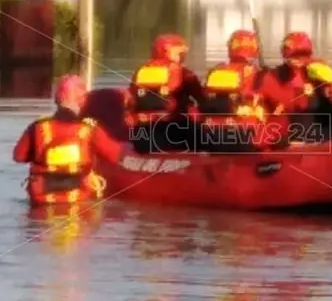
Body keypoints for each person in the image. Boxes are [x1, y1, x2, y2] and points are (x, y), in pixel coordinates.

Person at [13, 75, 128, 206]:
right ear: (83, 100)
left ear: (57, 99)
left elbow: (18, 157)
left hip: (42, 201)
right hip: (79, 201)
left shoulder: (37, 127)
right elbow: (116, 156)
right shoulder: (90, 129)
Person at [252, 32, 332, 148]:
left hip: (316, 133)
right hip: (285, 135)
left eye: (304, 54)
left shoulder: (318, 70)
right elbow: (258, 102)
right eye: (294, 55)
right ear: (285, 55)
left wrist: (329, 87)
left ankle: (321, 145)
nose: (298, 59)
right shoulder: (271, 76)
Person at [125, 33, 205, 153]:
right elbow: (203, 98)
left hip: (140, 136)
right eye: (180, 53)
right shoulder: (183, 73)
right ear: (167, 51)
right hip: (171, 133)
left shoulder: (141, 71)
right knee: (194, 114)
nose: (182, 57)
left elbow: (131, 99)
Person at [197, 30, 268, 153]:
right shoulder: (261, 73)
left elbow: (203, 96)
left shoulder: (217, 70)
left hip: (211, 131)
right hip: (248, 131)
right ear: (255, 48)